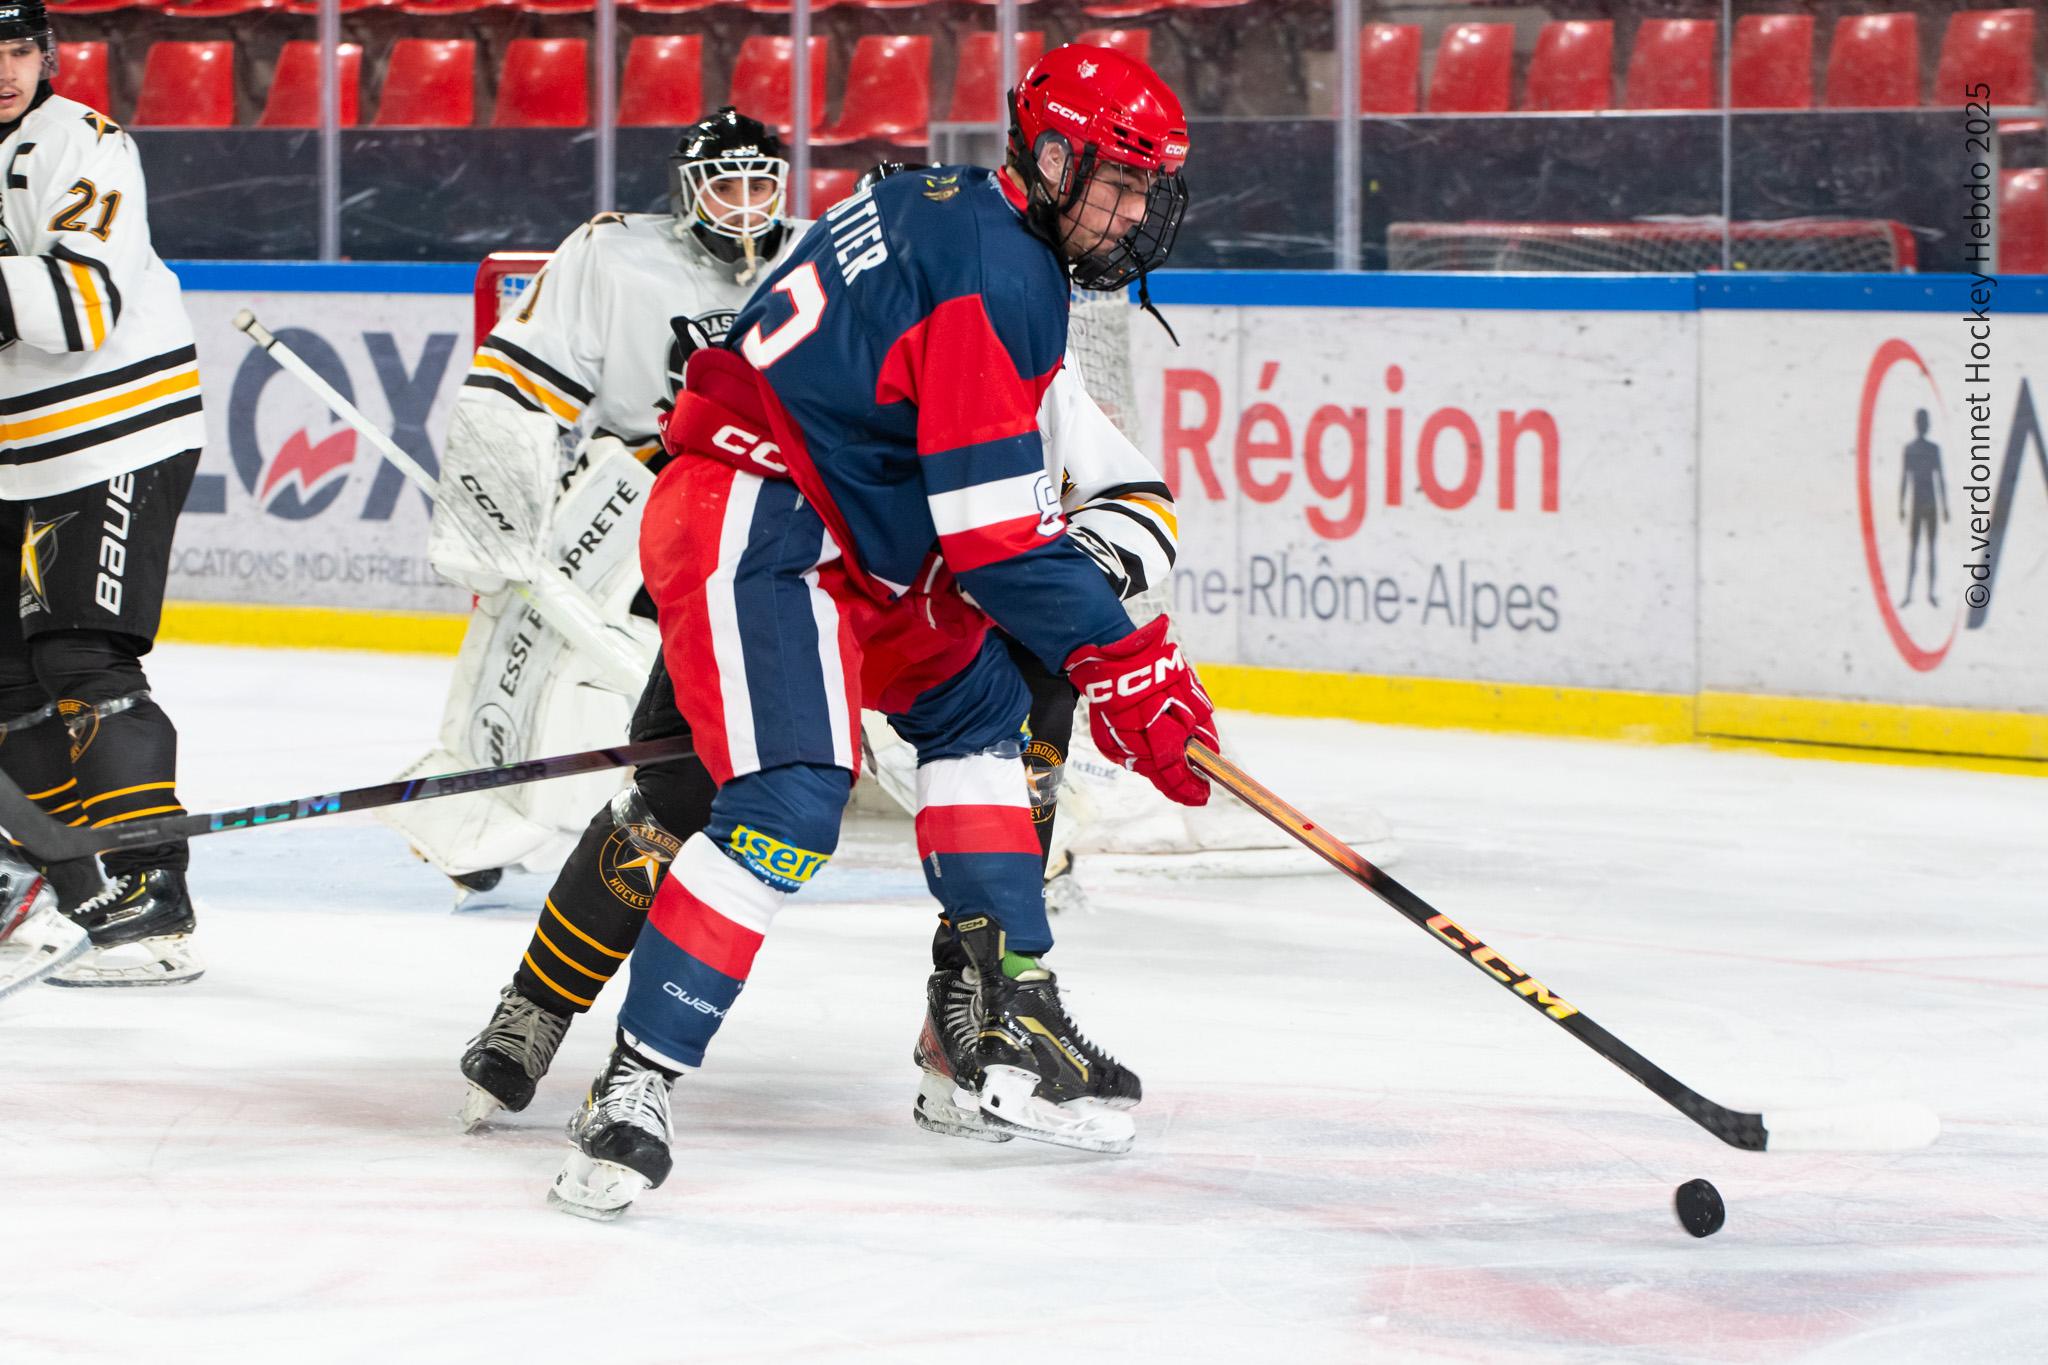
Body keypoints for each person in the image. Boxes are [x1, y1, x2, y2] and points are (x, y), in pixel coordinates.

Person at [546, 43, 1214, 1221]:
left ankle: (1005, 1021)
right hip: (759, 517)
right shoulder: (999, 279)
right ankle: (632, 1087)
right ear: (1052, 159)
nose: (1130, 217)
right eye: (1114, 184)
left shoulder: (936, 198)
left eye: (1144, 192)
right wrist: (1126, 659)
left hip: (845, 525)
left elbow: (958, 503)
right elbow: (995, 538)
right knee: (792, 795)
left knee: (979, 714)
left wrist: (1108, 652)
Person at [0, 0, 207, 987]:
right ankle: (74, 887)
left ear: (46, 55)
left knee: (81, 651)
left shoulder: (85, 144)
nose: (5, 68)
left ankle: (150, 894)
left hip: (112, 432)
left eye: (18, 49)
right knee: (4, 680)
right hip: (12, 451)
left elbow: (76, 309)